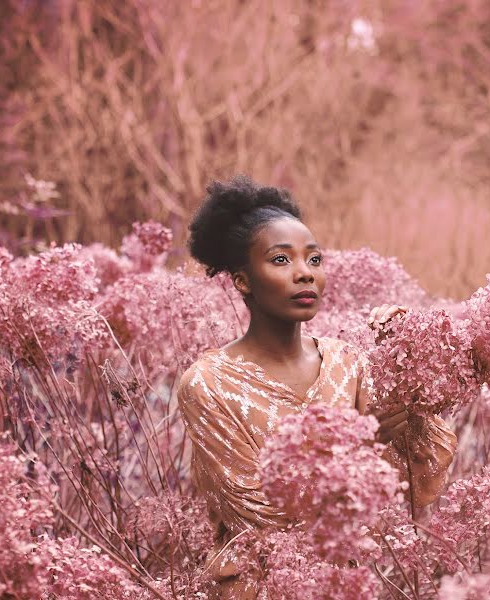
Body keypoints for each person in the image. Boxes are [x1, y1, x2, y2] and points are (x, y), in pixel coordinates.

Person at [177, 175, 457, 597]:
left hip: (348, 583)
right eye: (281, 260)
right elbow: (255, 514)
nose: (305, 274)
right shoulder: (208, 384)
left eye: (314, 259)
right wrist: (364, 445)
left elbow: (416, 480)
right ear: (242, 280)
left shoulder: (349, 363)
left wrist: (413, 368)